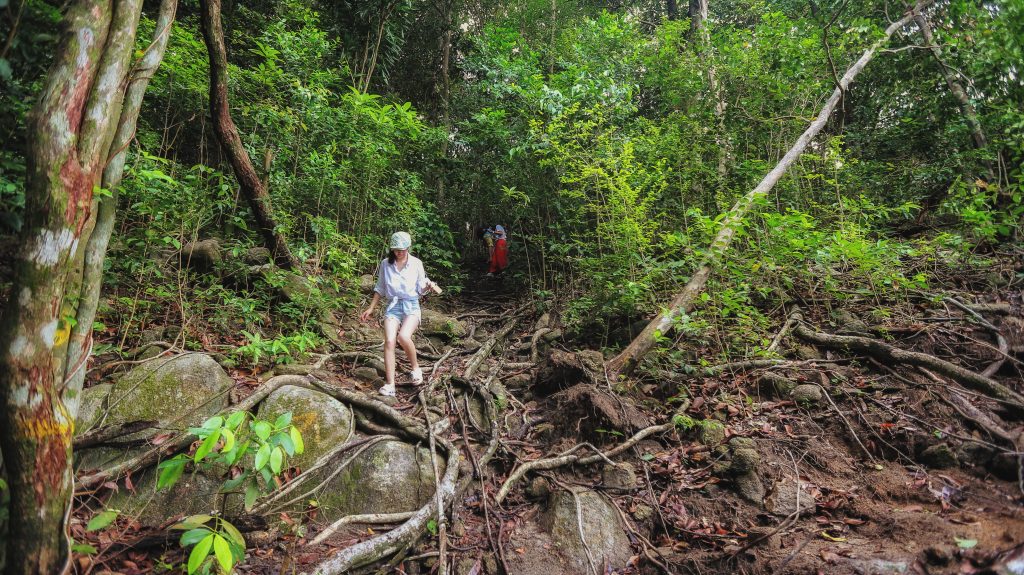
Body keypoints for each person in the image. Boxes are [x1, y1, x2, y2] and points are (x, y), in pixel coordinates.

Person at [359, 231, 440, 396]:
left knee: (403, 337)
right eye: (396, 249)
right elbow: (380, 288)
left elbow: (420, 288)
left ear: (408, 247)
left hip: (411, 305)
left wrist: (427, 287)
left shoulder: (416, 263)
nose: (399, 252)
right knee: (389, 341)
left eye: (402, 249)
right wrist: (371, 308)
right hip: (393, 305)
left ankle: (416, 368)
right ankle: (390, 385)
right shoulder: (385, 264)